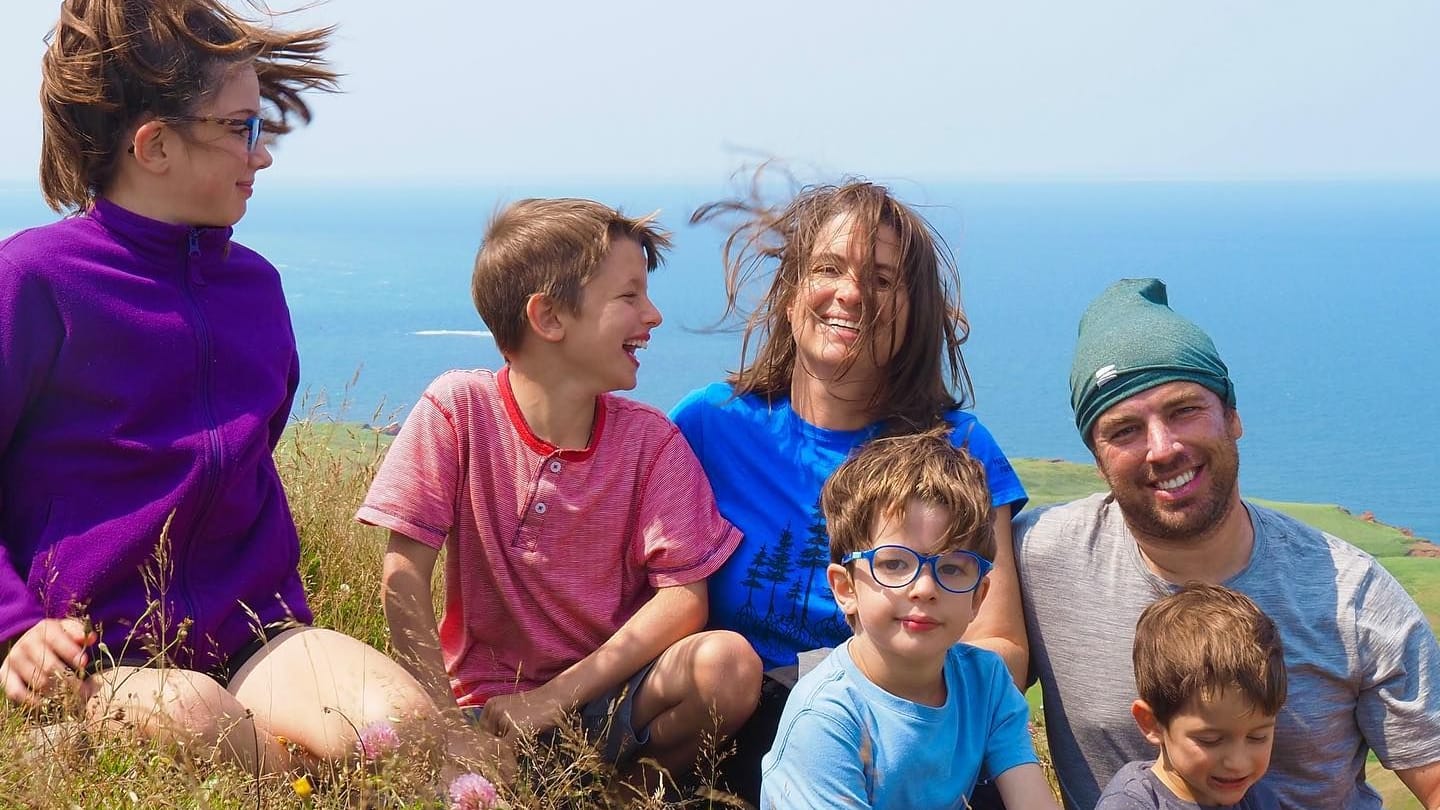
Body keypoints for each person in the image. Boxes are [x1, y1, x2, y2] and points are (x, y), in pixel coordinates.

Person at [0, 0, 439, 776]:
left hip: (258, 636)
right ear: (156, 144)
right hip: (92, 655)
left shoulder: (257, 290)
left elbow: (255, 453)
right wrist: (15, 626)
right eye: (242, 128)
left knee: (403, 727)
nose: (260, 154)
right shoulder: (33, 280)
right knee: (209, 726)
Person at [358, 198, 762, 781]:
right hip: (479, 712)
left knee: (727, 664)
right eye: (628, 297)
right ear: (548, 318)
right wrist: (447, 732)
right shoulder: (458, 409)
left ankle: (620, 793)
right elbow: (403, 572)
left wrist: (553, 701)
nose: (653, 315)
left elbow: (683, 601)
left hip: (607, 703)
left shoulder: (651, 442)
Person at [1011, 278, 1440, 809]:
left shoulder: (1354, 596)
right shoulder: (1036, 560)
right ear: (1097, 458)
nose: (1162, 449)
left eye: (1184, 410)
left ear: (1232, 416)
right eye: (1124, 430)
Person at [672, 178, 1029, 802]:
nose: (853, 294)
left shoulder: (959, 447)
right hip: (732, 735)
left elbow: (998, 645)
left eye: (884, 280)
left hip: (896, 733)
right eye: (829, 268)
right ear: (790, 295)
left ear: (915, 311)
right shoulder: (708, 425)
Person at [762, 429, 1057, 809]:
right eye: (895, 564)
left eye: (952, 568)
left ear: (978, 597)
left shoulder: (986, 682)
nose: (924, 588)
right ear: (845, 588)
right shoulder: (827, 717)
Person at [1097, 582, 1285, 810]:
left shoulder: (1257, 799)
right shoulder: (1132, 803)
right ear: (1152, 722)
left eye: (1258, 737)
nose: (1237, 762)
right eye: (1210, 740)